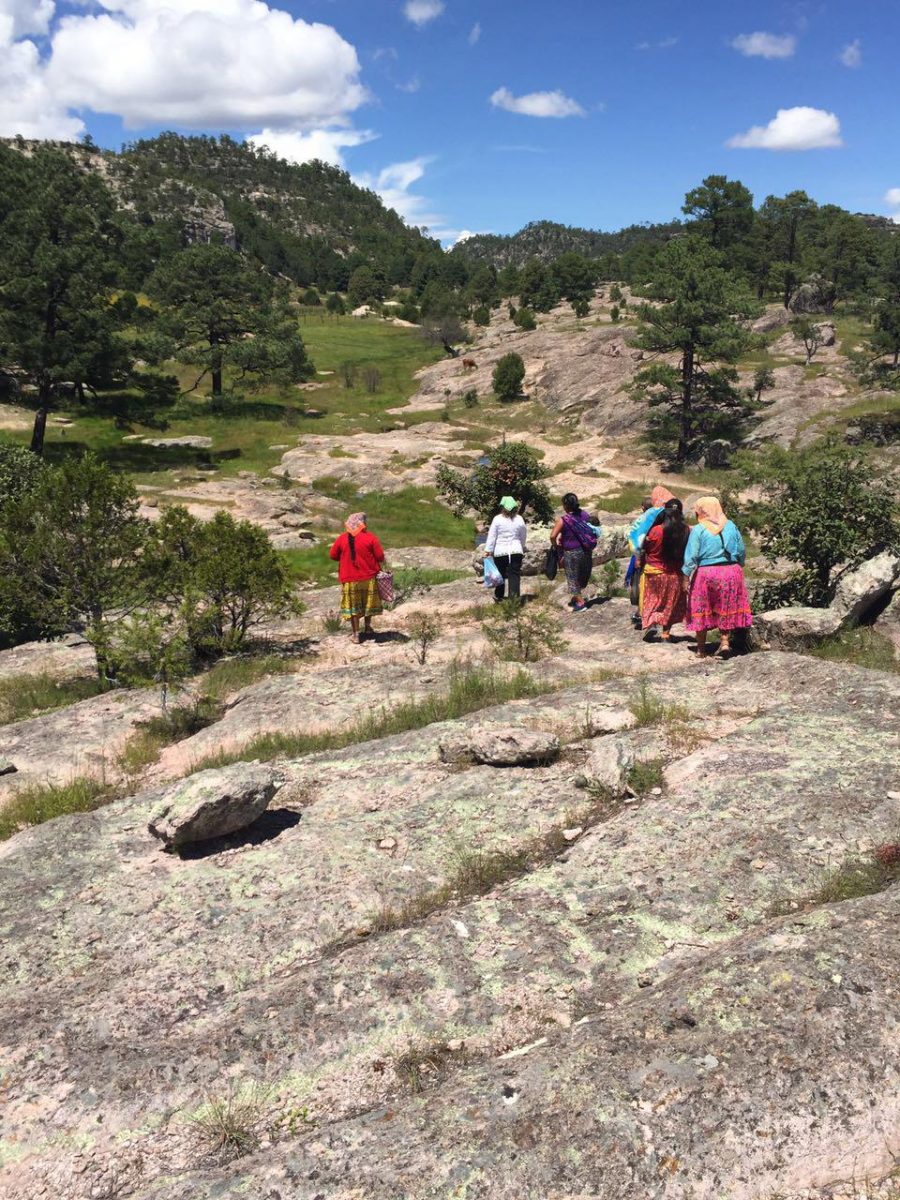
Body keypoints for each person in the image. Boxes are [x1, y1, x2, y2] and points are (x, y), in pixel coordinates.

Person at [682, 496, 753, 659]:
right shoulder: (731, 526)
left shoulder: (699, 530)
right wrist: (738, 565)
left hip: (707, 573)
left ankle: (701, 649)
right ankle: (725, 642)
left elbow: (691, 555)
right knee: (726, 606)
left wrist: (685, 577)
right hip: (731, 571)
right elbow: (741, 549)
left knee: (701, 607)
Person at [329, 512, 385, 644]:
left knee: (354, 607)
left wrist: (345, 558)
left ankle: (355, 634)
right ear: (362, 523)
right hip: (369, 577)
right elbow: (380, 557)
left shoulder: (342, 538)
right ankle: (367, 627)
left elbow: (333, 555)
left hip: (350, 579)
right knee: (368, 602)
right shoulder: (370, 538)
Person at [640, 498, 690, 641]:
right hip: (676, 574)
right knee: (670, 604)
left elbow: (645, 548)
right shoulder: (687, 530)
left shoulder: (656, 530)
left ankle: (651, 624)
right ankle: (666, 634)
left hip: (655, 572)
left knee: (653, 601)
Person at [550, 492, 596, 612]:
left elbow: (552, 536)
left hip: (571, 552)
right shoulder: (585, 515)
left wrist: (556, 547)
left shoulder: (564, 520)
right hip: (586, 550)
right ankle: (578, 598)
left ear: (566, 505)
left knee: (572, 577)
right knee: (582, 574)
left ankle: (580, 603)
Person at [484, 496, 527, 603]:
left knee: (500, 574)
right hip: (516, 551)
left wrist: (488, 550)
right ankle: (514, 599)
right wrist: (521, 546)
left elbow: (492, 536)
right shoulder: (519, 519)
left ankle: (499, 596)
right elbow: (523, 535)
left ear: (503, 507)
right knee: (514, 575)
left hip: (500, 551)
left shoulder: (497, 519)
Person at [625, 495, 653, 628]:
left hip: (641, 556)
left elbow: (635, 539)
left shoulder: (641, 521)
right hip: (655, 558)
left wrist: (636, 557)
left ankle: (640, 613)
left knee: (639, 585)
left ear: (642, 508)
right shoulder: (658, 520)